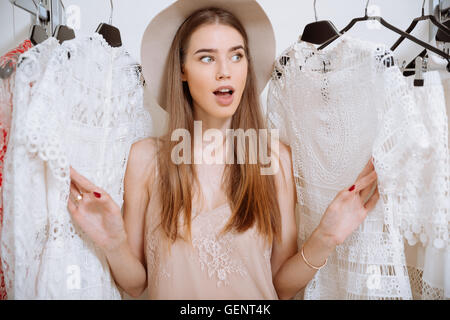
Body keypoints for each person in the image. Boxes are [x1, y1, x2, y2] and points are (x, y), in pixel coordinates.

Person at [67, 0, 379, 300]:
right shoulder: (146, 158)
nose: (224, 71)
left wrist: (324, 238)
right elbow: (135, 286)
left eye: (236, 56)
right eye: (206, 58)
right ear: (182, 71)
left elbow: (282, 288)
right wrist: (113, 242)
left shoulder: (275, 158)